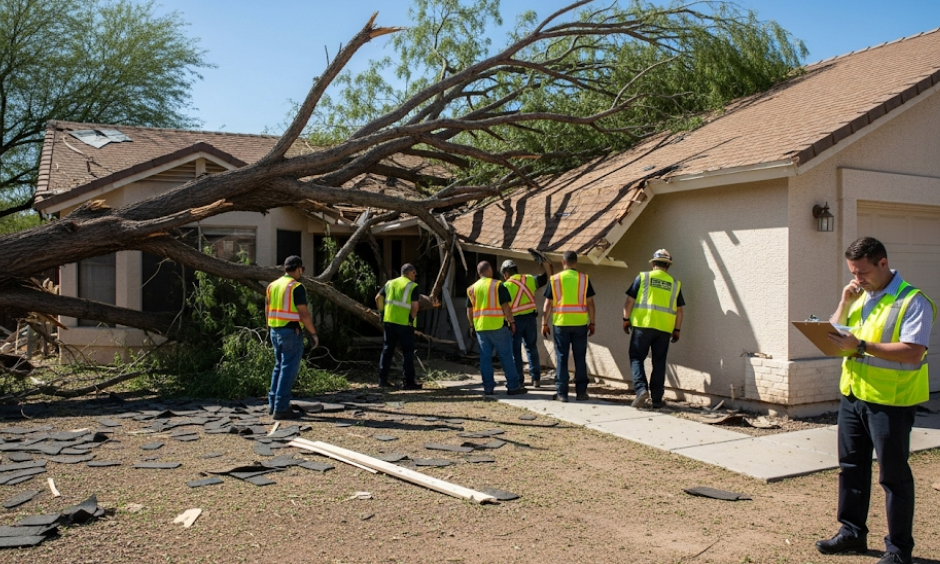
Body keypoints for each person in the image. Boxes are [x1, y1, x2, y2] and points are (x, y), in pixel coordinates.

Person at [816, 237, 935, 564]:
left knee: (893, 477)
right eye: (853, 272)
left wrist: (862, 345)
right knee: (851, 468)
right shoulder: (859, 295)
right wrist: (844, 300)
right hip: (853, 396)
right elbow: (835, 333)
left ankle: (899, 550)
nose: (858, 278)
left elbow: (914, 351)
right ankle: (851, 533)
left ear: (883, 263)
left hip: (891, 402)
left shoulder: (912, 301)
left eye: (863, 271)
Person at [622, 249, 685, 409]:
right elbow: (679, 310)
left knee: (636, 358)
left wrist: (625, 319)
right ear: (668, 266)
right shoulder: (675, 284)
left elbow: (630, 300)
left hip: (643, 325)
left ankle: (641, 390)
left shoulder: (643, 277)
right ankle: (657, 399)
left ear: (652, 263)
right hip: (664, 328)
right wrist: (677, 329)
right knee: (659, 362)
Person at [265, 255, 319, 421]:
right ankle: (281, 408)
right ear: (298, 268)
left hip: (275, 331)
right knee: (288, 369)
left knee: (279, 367)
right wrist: (313, 333)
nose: (302, 272)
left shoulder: (272, 285)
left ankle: (273, 404)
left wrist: (269, 329)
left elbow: (267, 309)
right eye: (301, 269)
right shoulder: (296, 287)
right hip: (290, 332)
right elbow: (303, 313)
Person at [541, 251, 596, 402]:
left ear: (562, 262)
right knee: (580, 358)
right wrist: (592, 322)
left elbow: (547, 305)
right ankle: (581, 392)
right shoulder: (584, 279)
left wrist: (544, 323)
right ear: (575, 262)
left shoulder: (555, 280)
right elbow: (590, 303)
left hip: (561, 324)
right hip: (580, 324)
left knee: (562, 357)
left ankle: (562, 393)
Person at [467, 261, 527, 396]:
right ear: (490, 271)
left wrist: (472, 325)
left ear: (479, 273)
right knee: (506, 357)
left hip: (481, 328)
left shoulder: (472, 289)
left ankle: (488, 388)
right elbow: (505, 306)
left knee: (485, 359)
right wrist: (511, 321)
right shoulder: (497, 285)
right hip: (498, 326)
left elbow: (469, 311)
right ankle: (513, 387)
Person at [500, 254, 554, 388]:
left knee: (515, 351)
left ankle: (519, 380)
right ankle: (536, 379)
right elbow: (544, 278)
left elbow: (503, 306)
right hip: (530, 320)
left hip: (514, 322)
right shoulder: (529, 279)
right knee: (531, 348)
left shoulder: (505, 286)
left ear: (506, 273)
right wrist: (543, 264)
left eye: (503, 274)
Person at [375, 263, 422, 390]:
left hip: (389, 321)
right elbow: (415, 307)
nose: (415, 275)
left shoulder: (390, 283)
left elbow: (378, 297)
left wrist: (382, 313)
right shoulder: (412, 286)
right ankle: (408, 383)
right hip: (405, 324)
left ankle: (382, 381)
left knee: (387, 351)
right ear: (408, 273)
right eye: (414, 273)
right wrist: (411, 319)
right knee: (407, 353)